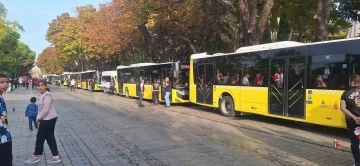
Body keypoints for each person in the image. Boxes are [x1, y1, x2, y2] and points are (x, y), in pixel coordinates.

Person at [25, 80, 60, 164]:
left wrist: (38, 118)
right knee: (50, 137)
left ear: (46, 86)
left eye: (42, 85)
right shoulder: (42, 94)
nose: (40, 87)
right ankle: (56, 157)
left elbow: (45, 110)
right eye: (38, 86)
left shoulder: (47, 95)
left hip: (48, 119)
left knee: (40, 138)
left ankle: (36, 156)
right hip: (49, 118)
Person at [340, 75, 360, 166]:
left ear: (352, 82)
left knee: (355, 141)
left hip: (352, 121)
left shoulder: (346, 93)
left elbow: (343, 108)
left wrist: (354, 117)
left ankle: (357, 162)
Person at [0, 74, 13, 166]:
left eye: (7, 82)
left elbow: (3, 118)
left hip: (5, 136)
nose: (5, 84)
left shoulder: (1, 98)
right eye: (2, 82)